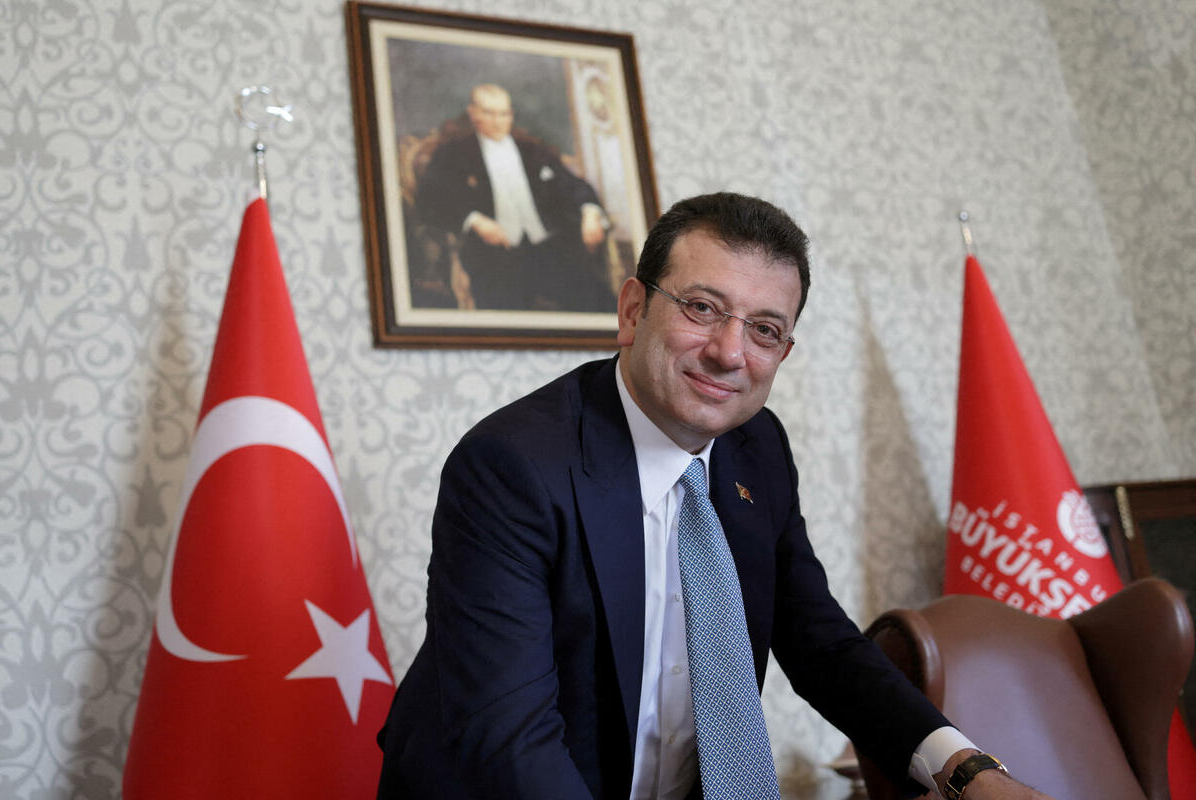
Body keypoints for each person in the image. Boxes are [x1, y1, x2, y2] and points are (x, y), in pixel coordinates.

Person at [376, 193, 1052, 800]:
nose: (730, 352)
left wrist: (964, 769)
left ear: (782, 353)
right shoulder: (512, 466)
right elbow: (508, 740)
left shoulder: (758, 446)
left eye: (764, 329)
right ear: (633, 310)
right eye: (702, 308)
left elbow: (820, 642)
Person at [415, 83, 617, 313]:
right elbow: (430, 199)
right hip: (494, 257)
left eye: (504, 114)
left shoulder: (533, 151)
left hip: (549, 249)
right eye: (489, 113)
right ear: (473, 113)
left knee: (603, 306)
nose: (498, 122)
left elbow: (573, 185)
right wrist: (474, 220)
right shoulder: (453, 153)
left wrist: (590, 212)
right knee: (507, 317)